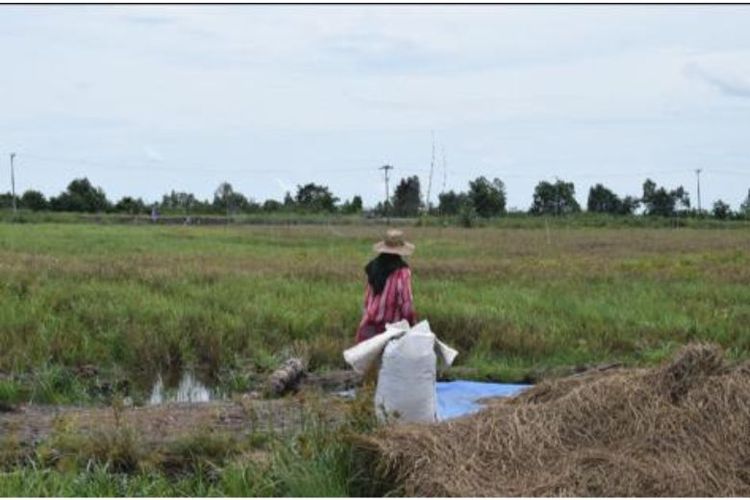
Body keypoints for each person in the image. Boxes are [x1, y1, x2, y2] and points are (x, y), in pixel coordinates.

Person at [356, 229, 416, 343]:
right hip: (389, 329)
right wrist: (412, 324)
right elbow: (405, 303)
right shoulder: (402, 272)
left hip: (368, 325)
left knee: (369, 360)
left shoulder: (373, 267)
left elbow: (367, 299)